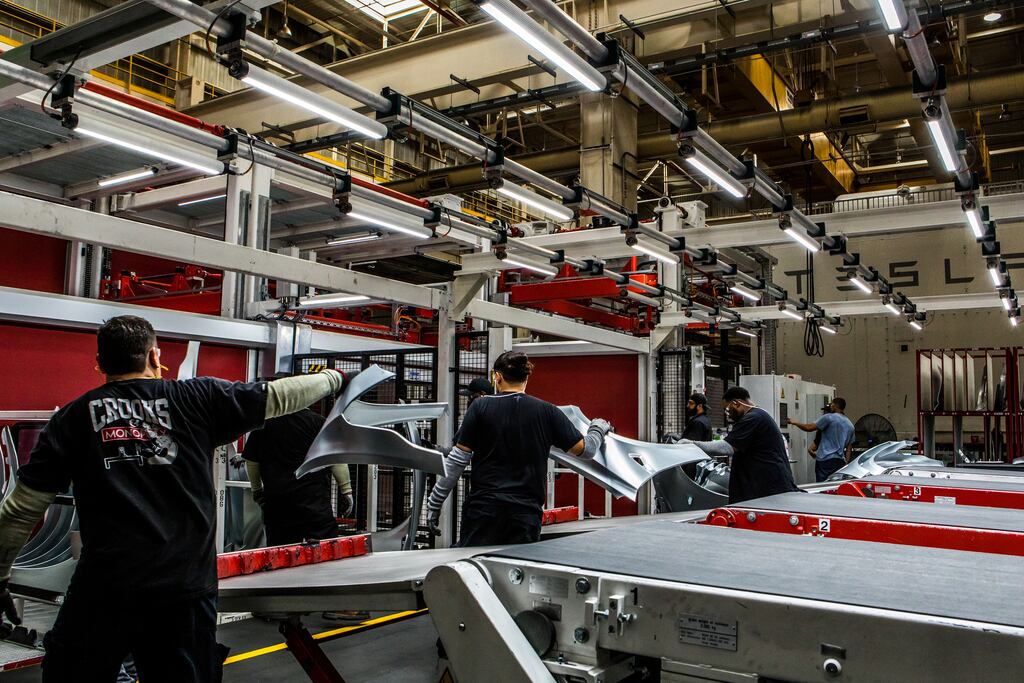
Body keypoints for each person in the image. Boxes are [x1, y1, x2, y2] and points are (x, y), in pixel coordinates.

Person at [0, 315, 353, 682]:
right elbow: (281, 396)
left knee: (70, 674)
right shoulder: (196, 398)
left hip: (105, 587)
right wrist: (336, 378)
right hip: (182, 589)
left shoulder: (71, 420)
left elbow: (19, 511)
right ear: (155, 356)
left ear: (100, 363)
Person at [425, 351, 612, 547]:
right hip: (524, 515)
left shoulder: (480, 407)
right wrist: (597, 428)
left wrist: (435, 503)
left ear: (497, 377)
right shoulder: (547, 411)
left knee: (475, 568)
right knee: (515, 574)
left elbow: (456, 462)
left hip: (484, 511)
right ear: (526, 377)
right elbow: (587, 450)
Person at [244, 409, 353, 547]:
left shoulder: (264, 424)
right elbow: (335, 457)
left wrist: (257, 491)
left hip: (278, 506)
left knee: (281, 555)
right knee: (325, 552)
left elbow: (252, 461)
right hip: (314, 504)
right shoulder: (319, 423)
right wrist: (346, 490)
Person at [680, 386, 799, 503]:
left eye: (727, 409)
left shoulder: (753, 418)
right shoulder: (760, 415)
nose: (728, 414)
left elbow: (726, 447)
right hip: (763, 488)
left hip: (767, 490)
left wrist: (691, 444)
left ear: (736, 403)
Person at [789, 397, 855, 482]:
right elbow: (849, 448)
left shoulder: (829, 418)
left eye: (831, 404)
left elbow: (809, 428)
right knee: (835, 487)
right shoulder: (850, 425)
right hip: (840, 461)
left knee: (822, 487)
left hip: (825, 460)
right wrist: (846, 463)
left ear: (834, 405)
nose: (830, 406)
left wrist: (794, 422)